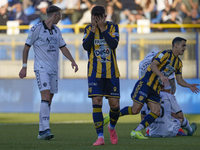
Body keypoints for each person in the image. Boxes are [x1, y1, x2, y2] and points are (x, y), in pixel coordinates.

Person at [105, 37, 199, 139]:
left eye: (185, 46)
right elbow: (153, 65)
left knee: (156, 111)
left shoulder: (179, 63)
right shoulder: (165, 54)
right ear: (176, 45)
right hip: (146, 83)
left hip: (155, 89)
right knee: (135, 110)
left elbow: (179, 80)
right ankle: (111, 116)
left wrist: (189, 85)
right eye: (183, 45)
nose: (185, 48)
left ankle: (136, 131)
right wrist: (161, 75)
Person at [19, 5, 78, 140]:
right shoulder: (36, 29)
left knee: (49, 99)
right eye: (60, 15)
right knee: (45, 95)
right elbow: (26, 48)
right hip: (41, 68)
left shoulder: (57, 31)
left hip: (53, 69)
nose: (61, 18)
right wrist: (24, 66)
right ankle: (46, 129)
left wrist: (72, 61)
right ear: (55, 15)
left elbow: (63, 48)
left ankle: (41, 131)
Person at [82, 5, 120, 146]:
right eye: (94, 17)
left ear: (105, 16)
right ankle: (100, 137)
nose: (97, 20)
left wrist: (103, 29)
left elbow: (113, 44)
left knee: (114, 106)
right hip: (94, 72)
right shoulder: (88, 29)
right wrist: (93, 29)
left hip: (111, 73)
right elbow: (86, 46)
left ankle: (112, 127)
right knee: (96, 102)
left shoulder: (113, 27)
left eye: (100, 17)